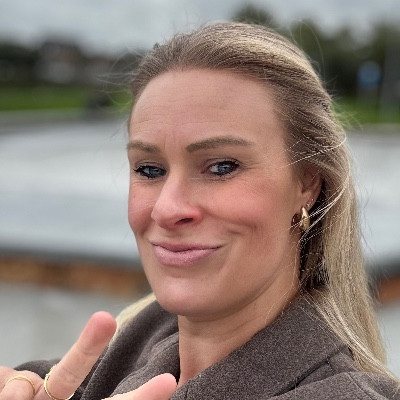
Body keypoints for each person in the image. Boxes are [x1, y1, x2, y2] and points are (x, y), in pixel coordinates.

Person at [1, 22, 399, 400]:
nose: (167, 209)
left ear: (307, 185)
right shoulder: (98, 365)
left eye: (222, 166)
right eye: (149, 170)